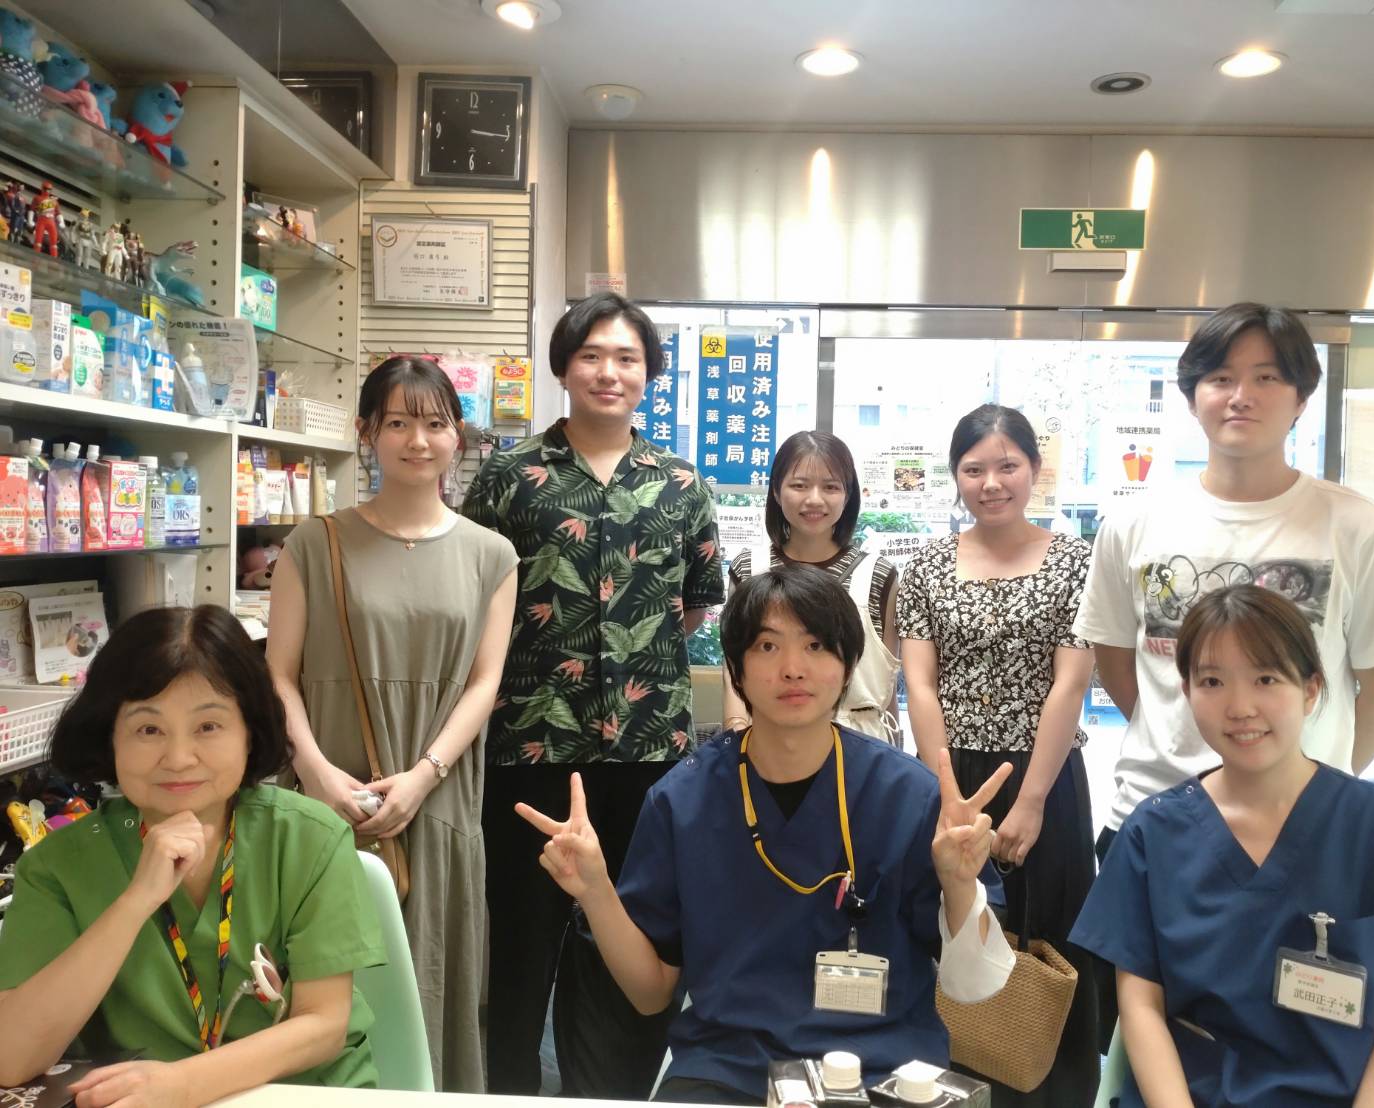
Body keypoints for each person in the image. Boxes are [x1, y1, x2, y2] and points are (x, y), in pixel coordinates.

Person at [517, 565, 1017, 1105]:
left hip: (882, 1068)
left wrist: (959, 884)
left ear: (847, 665)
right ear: (735, 669)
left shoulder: (909, 796)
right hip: (728, 1069)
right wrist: (595, 890)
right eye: (767, 646)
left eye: (816, 645)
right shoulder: (683, 801)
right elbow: (650, 994)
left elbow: (975, 987)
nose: (793, 669)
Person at [1070, 584, 1374, 1106]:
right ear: (1187, 692)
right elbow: (1140, 1008)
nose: (1240, 707)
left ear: (1310, 689)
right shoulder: (1153, 835)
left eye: (1266, 679)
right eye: (1212, 681)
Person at [463, 292, 724, 1095]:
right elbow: (475, 597)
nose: (609, 372)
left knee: (635, 943)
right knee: (521, 941)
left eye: (627, 359)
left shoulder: (681, 484)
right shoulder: (509, 477)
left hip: (647, 756)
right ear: (564, 367)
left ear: (648, 374)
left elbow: (693, 607)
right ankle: (510, 1091)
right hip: (530, 747)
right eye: (592, 356)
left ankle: (614, 1093)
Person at [1075, 302, 1374, 863]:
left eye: (1267, 378)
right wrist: (1177, 740)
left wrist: (1318, 782)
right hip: (1153, 815)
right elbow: (1116, 660)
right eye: (1220, 378)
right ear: (1192, 399)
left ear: (1301, 399)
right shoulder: (1133, 524)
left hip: (1304, 826)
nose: (1241, 396)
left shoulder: (1362, 528)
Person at [0, 606, 385, 1103]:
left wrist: (182, 1085)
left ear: (250, 732)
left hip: (300, 1094)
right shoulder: (58, 866)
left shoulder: (309, 838)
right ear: (109, 737)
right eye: (148, 730)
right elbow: (12, 1057)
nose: (179, 759)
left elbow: (324, 1025)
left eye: (208, 726)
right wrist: (135, 900)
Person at [267, 355, 517, 1093]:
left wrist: (423, 777)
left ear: (457, 436)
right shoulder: (315, 542)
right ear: (366, 432)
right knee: (323, 974)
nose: (418, 440)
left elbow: (485, 681)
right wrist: (317, 774)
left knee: (430, 971)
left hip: (436, 794)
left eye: (435, 423)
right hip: (328, 791)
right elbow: (278, 676)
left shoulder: (491, 554)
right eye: (398, 422)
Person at [897, 404, 1100, 1105]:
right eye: (973, 468)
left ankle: (1054, 1089)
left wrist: (1033, 801)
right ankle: (953, 1079)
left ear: (1034, 470)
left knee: (1052, 934)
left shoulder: (1075, 562)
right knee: (954, 925)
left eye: (1007, 466)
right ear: (955, 476)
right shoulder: (926, 565)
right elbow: (920, 684)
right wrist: (944, 790)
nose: (991, 482)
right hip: (952, 774)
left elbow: (1070, 683)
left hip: (1047, 774)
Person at [724, 430, 901, 744]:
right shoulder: (749, 569)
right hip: (767, 741)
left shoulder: (878, 575)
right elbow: (733, 669)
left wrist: (894, 755)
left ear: (848, 495)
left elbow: (884, 682)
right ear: (776, 491)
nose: (815, 499)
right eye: (799, 485)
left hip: (858, 745)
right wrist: (736, 733)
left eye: (831, 487)